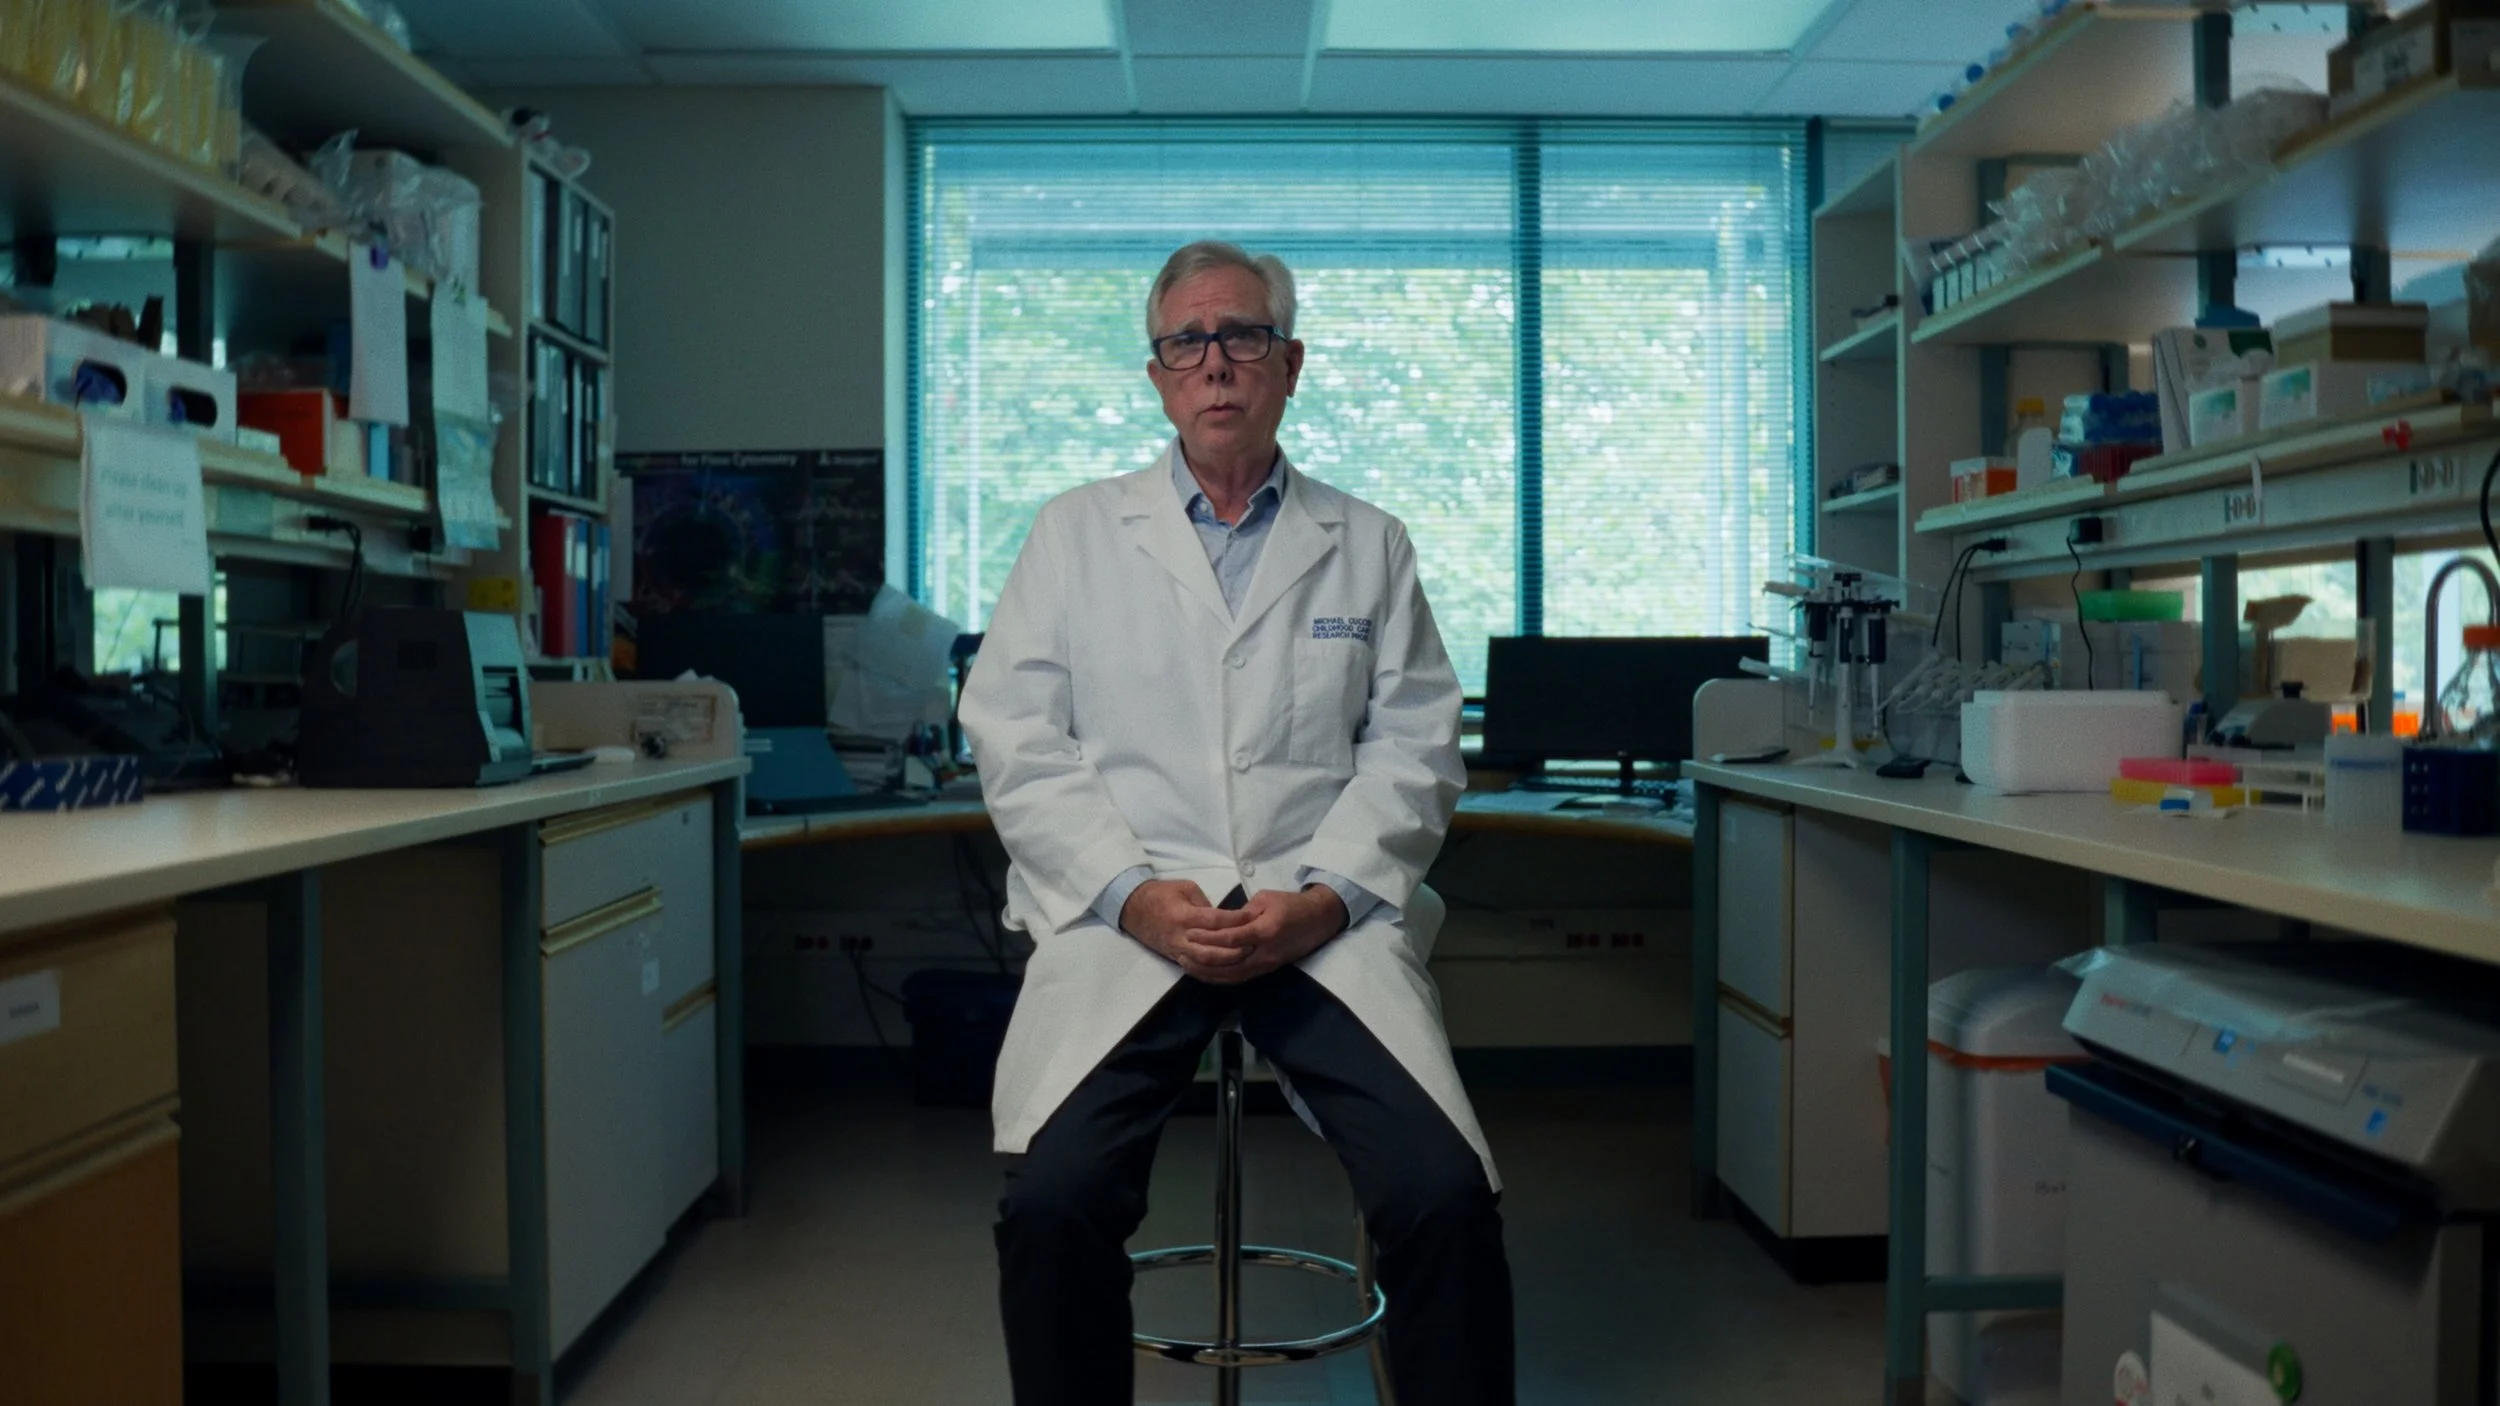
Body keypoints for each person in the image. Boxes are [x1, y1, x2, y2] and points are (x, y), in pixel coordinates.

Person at [958, 240, 1516, 1405]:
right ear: (1157, 374)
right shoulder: (1072, 534)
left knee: (1443, 1194)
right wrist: (1131, 894)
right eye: (1187, 341)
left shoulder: (1368, 542)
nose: (1215, 362)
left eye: (1243, 335)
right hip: (1127, 920)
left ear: (1289, 363)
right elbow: (1016, 737)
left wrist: (1323, 898)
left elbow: (1416, 748)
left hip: (1318, 920)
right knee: (1052, 1202)